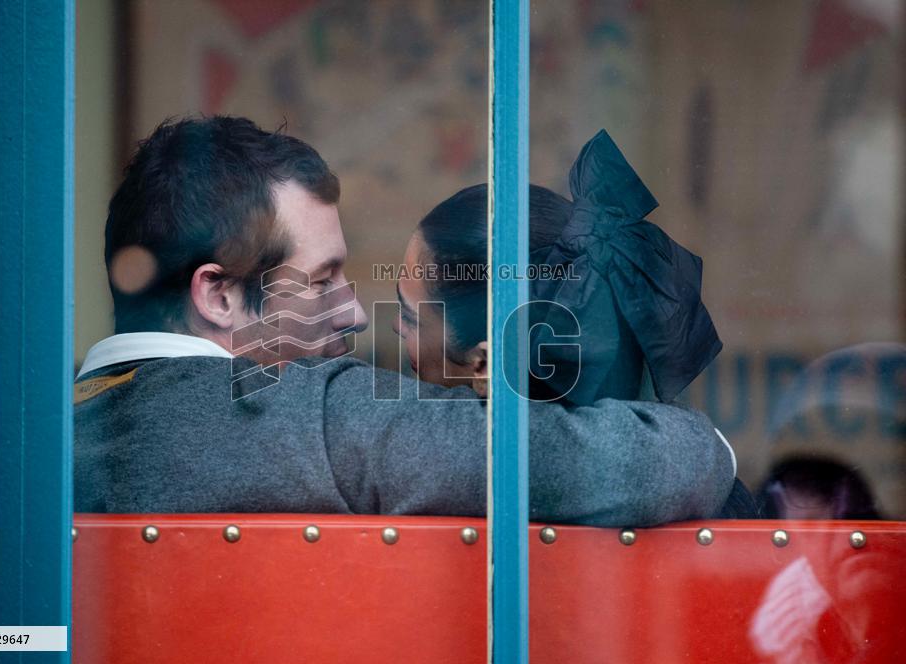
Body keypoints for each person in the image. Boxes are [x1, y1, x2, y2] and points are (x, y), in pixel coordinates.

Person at [74, 115, 735, 526]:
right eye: (323, 278)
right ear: (218, 295)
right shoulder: (319, 420)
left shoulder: (33, 441)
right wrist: (720, 450)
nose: (358, 312)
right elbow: (643, 466)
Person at [397, 129, 756, 517]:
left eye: (409, 317)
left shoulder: (441, 483)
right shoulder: (707, 493)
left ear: (483, 363)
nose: (395, 328)